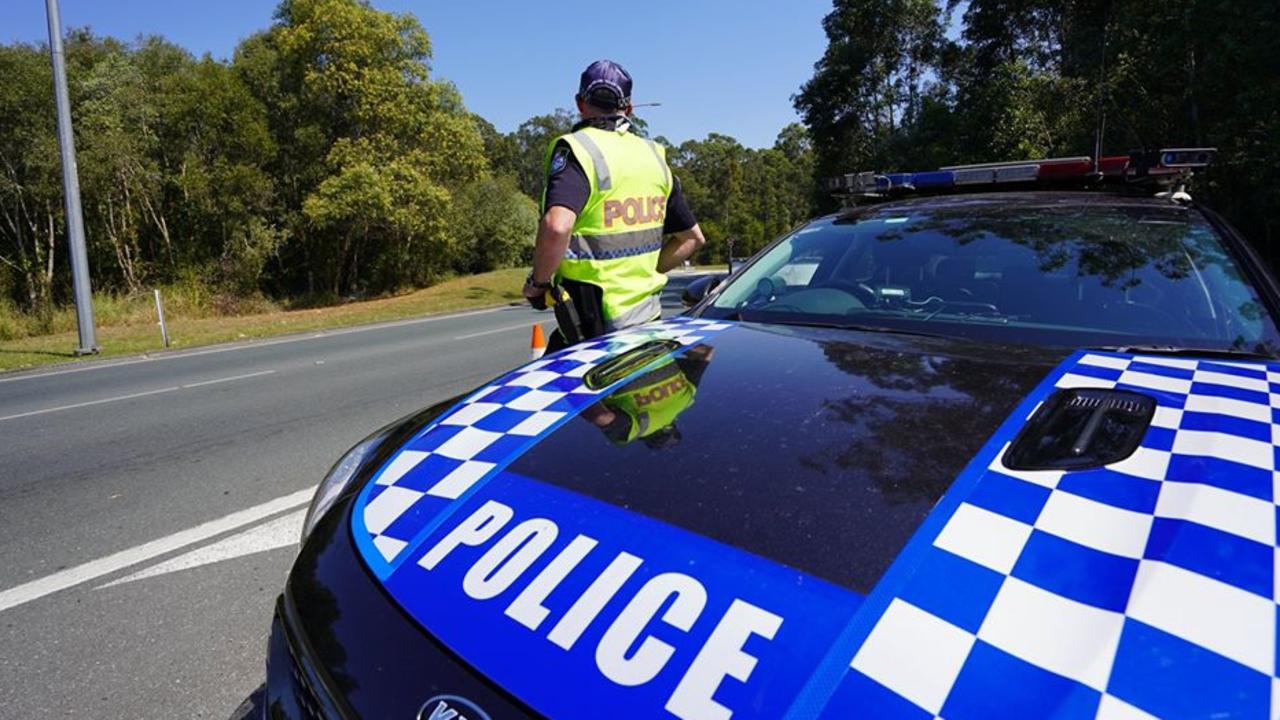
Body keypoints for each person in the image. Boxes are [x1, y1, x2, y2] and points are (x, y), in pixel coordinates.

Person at [523, 59, 706, 351]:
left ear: (580, 103)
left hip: (594, 334)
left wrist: (538, 283)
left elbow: (557, 227)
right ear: (629, 109)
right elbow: (693, 238)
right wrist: (645, 271)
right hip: (648, 326)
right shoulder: (654, 156)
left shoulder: (578, 150)